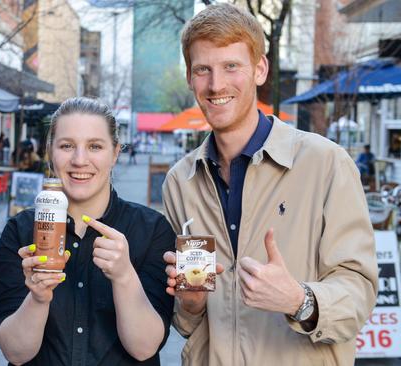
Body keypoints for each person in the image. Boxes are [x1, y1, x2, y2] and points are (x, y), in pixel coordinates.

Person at [162, 4, 377, 366]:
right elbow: (186, 324)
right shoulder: (179, 182)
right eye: (203, 70)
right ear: (189, 77)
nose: (216, 85)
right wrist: (190, 303)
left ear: (260, 69)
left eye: (232, 66)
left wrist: (299, 299)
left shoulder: (326, 163)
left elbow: (360, 294)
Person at [0, 97, 175, 365]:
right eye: (67, 146)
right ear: (50, 152)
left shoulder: (152, 230)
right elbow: (15, 353)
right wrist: (38, 299)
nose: (79, 160)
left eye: (95, 146)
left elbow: (144, 348)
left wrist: (124, 277)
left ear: (115, 153)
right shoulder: (20, 231)